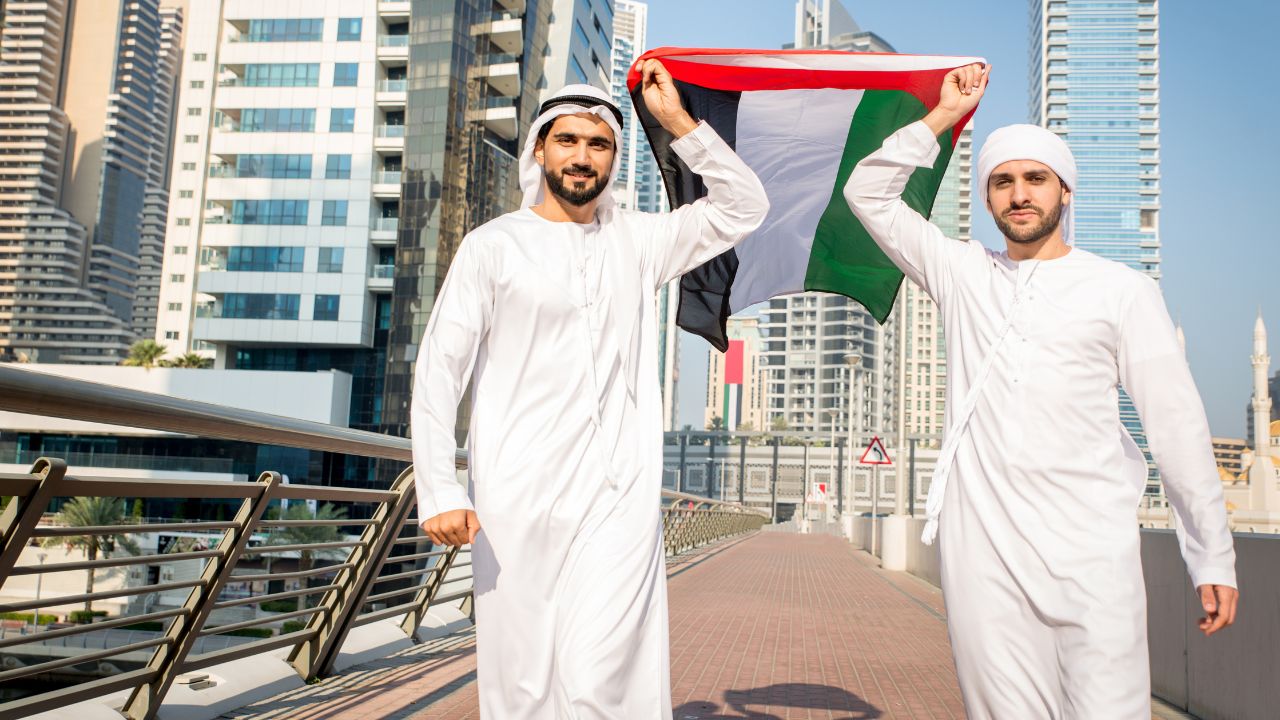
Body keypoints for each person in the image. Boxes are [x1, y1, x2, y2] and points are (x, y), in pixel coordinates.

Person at [844, 63, 1239, 719]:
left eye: (1035, 179)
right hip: (986, 565)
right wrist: (942, 116)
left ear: (1065, 191)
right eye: (1002, 181)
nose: (1019, 194)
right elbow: (869, 195)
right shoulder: (963, 273)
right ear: (987, 197)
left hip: (1093, 561)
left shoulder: (1121, 291)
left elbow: (1176, 428)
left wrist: (1213, 557)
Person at [410, 61, 768, 718]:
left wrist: (678, 121)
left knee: (604, 680)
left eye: (598, 143)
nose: (582, 157)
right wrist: (438, 488)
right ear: (540, 147)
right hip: (514, 501)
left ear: (614, 155)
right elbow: (439, 370)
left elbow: (745, 206)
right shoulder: (494, 247)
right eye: (568, 140)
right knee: (524, 684)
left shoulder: (640, 241)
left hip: (617, 500)